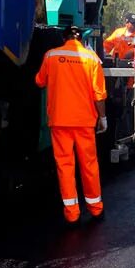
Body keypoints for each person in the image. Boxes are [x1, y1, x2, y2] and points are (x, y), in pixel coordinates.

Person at [33, 25, 108, 223]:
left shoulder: (51, 55)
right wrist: (103, 118)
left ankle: (72, 214)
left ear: (64, 38)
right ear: (81, 39)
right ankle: (96, 209)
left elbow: (39, 81)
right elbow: (99, 95)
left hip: (60, 121)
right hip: (84, 121)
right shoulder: (92, 59)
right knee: (89, 165)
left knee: (65, 166)